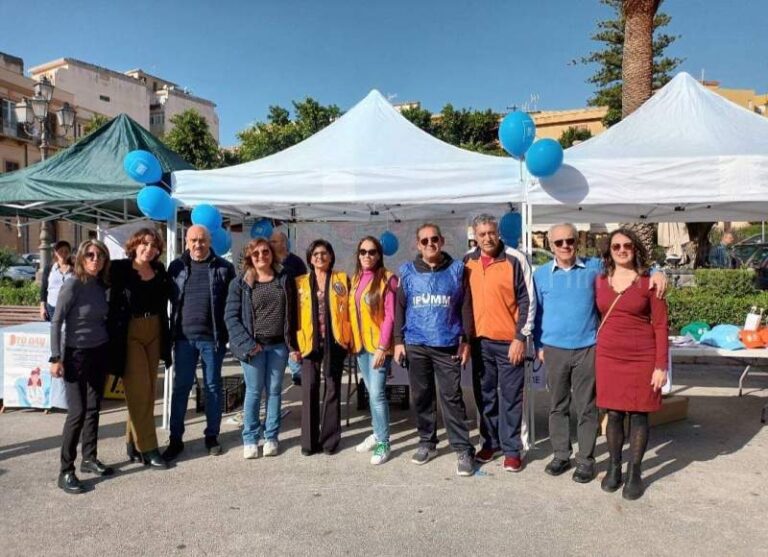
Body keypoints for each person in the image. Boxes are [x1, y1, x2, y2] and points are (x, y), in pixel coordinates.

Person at [533, 223, 666, 484]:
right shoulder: (540, 275)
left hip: (588, 348)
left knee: (587, 408)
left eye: (570, 240)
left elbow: (631, 267)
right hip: (554, 349)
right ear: (550, 245)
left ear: (577, 242)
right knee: (557, 406)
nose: (565, 246)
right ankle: (561, 454)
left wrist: (659, 271)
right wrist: (538, 345)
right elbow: (536, 313)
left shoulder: (594, 269)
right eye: (559, 242)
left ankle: (586, 460)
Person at [393, 223, 476, 477]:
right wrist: (398, 341)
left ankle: (462, 448)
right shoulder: (407, 272)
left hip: (447, 343)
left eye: (434, 239)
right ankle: (427, 443)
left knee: (451, 397)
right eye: (425, 240)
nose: (430, 244)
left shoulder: (457, 270)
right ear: (418, 245)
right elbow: (399, 307)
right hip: (416, 343)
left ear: (442, 241)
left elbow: (465, 307)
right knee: (422, 396)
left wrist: (466, 340)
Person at [596, 228, 669, 500]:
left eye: (627, 245)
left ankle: (634, 472)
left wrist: (661, 365)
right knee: (613, 414)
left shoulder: (651, 282)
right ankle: (614, 467)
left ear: (636, 249)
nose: (622, 250)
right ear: (609, 251)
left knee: (639, 414)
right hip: (608, 357)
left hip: (642, 357)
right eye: (616, 246)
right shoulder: (600, 279)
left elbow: (661, 326)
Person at [464, 214, 535, 473]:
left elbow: (528, 300)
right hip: (480, 343)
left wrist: (520, 337)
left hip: (509, 343)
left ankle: (512, 450)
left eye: (491, 232)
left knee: (511, 398)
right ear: (475, 235)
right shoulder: (467, 262)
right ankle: (490, 443)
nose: (487, 238)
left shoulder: (515, 259)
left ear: (498, 232)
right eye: (482, 234)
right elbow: (463, 304)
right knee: (486, 397)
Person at [163, 225, 236, 461]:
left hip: (211, 340)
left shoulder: (225, 269)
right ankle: (176, 439)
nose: (197, 244)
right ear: (186, 241)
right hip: (183, 339)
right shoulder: (176, 267)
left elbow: (231, 305)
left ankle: (212, 436)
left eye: (202, 240)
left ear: (210, 241)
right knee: (181, 388)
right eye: (193, 240)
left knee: (213, 388)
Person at [225, 238, 299, 459]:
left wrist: (293, 345)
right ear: (250, 257)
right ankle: (250, 438)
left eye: (265, 252)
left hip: (278, 347)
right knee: (254, 392)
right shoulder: (240, 283)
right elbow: (231, 317)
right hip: (253, 348)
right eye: (255, 253)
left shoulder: (284, 279)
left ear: (271, 254)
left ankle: (271, 437)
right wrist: (248, 345)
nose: (261, 256)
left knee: (274, 392)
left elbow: (293, 314)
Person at [49, 239, 114, 494]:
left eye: (100, 255)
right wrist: (55, 357)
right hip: (75, 355)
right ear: (80, 258)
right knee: (76, 413)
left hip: (99, 352)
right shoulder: (72, 284)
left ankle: (89, 458)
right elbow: (56, 322)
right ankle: (66, 471)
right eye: (90, 255)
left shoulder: (101, 285)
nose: (95, 259)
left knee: (93, 408)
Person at [108, 228, 172, 469]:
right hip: (130, 332)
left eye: (154, 246)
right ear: (135, 245)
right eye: (145, 244)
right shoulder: (120, 269)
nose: (149, 249)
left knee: (146, 391)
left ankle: (131, 442)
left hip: (155, 329)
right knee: (139, 389)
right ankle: (149, 448)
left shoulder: (159, 271)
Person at [295, 239, 351, 456]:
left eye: (324, 253)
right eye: (316, 254)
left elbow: (349, 312)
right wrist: (293, 344)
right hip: (308, 342)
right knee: (309, 388)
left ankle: (329, 441)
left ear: (331, 256)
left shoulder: (341, 279)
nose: (320, 257)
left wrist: (350, 340)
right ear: (310, 258)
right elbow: (293, 315)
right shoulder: (299, 282)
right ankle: (309, 442)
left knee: (332, 388)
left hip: (334, 342)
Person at [349, 236, 398, 465]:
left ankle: (384, 442)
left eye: (372, 252)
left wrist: (382, 347)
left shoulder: (388, 279)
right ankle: (377, 433)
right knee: (371, 392)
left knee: (378, 395)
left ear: (379, 255)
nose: (367, 256)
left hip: (378, 348)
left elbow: (390, 316)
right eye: (363, 252)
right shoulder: (356, 279)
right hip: (360, 347)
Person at [270, 230, 307, 386]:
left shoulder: (296, 262)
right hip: (275, 314)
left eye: (274, 242)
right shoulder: (269, 262)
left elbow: (304, 286)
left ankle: (298, 373)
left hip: (294, 310)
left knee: (293, 342)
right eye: (270, 242)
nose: (271, 244)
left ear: (284, 243)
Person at [40, 240, 74, 321]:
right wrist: (42, 307)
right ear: (55, 252)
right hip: (52, 307)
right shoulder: (49, 268)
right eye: (61, 251)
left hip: (70, 307)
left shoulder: (74, 269)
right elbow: (44, 289)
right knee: (54, 331)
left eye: (66, 251)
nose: (63, 254)